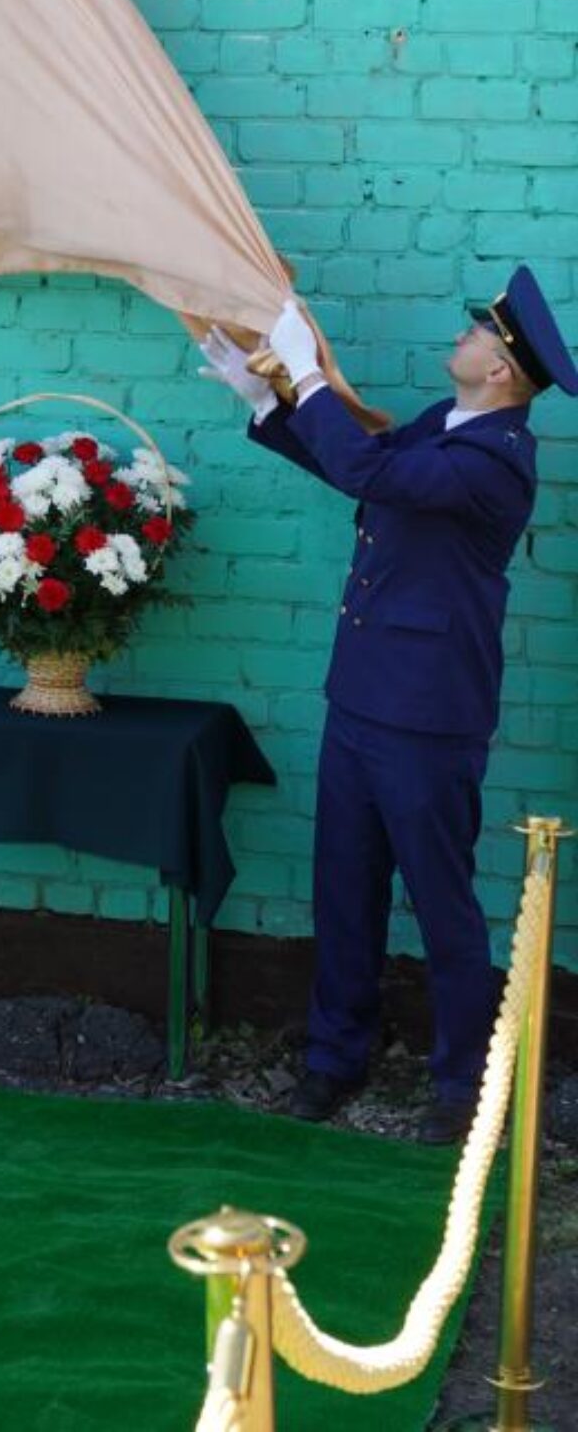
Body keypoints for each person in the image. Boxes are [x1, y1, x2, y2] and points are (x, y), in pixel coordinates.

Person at [199, 265, 578, 1144]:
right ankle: (336, 1055)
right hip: (364, 695)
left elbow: (371, 465)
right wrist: (267, 400)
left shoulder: (495, 462)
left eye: (480, 332)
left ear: (502, 372)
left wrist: (306, 375)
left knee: (443, 903)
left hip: (429, 716)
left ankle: (465, 1081)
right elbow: (362, 472)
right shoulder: (447, 426)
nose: (467, 335)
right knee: (345, 886)